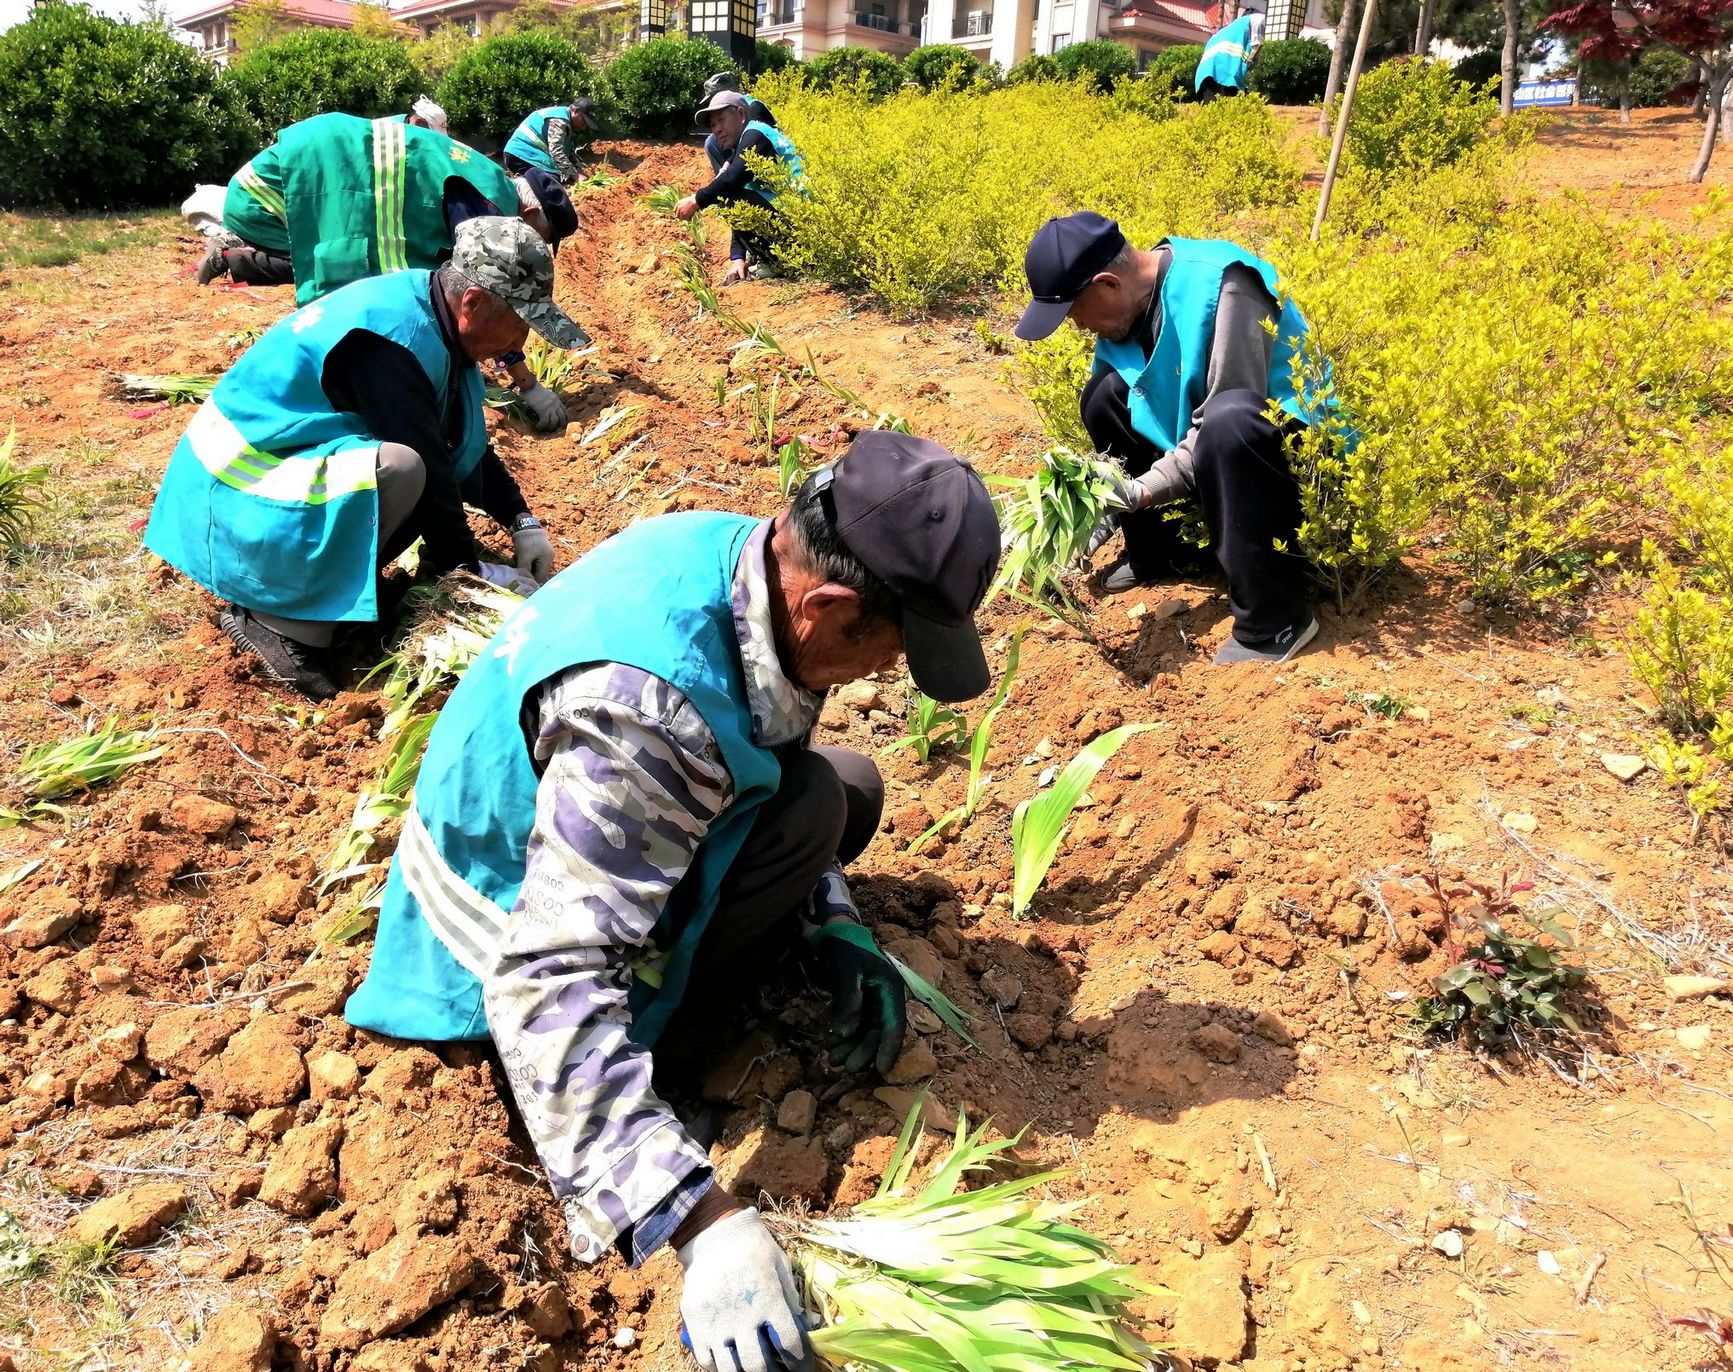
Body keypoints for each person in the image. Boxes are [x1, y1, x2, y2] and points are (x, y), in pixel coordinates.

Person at [344, 430, 1002, 1372]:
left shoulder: (740, 556)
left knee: (834, 791)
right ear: (829, 604)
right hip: (491, 958)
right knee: (817, 802)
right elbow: (544, 979)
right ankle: (667, 1058)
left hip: (567, 839)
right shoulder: (648, 719)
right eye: (891, 650)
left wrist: (834, 918)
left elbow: (771, 767)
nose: (888, 674)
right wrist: (696, 1219)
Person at [146, 218, 586, 701]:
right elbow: (430, 466)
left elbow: (460, 440)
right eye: (519, 322)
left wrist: (520, 519)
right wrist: (467, 574)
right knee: (399, 469)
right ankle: (276, 622)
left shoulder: (432, 316)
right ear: (473, 303)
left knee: (409, 471)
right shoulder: (390, 341)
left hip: (275, 472)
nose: (519, 343)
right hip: (236, 490)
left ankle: (332, 588)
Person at [1014, 210, 1324, 664]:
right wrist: (1096, 504)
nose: (1078, 326)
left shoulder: (1224, 286)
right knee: (1104, 395)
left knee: (1230, 415)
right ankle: (1162, 554)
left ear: (1107, 283)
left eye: (1074, 311)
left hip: (1297, 463)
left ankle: (1275, 621)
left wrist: (1140, 490)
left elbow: (1231, 422)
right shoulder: (1127, 309)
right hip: (1216, 455)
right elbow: (1137, 406)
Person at [197, 112, 583, 432]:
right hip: (286, 187)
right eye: (541, 236)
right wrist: (527, 385)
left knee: (338, 261)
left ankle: (236, 261)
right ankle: (331, 383)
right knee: (346, 277)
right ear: (531, 214)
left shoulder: (486, 178)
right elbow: (482, 302)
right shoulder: (488, 210)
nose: (533, 244)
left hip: (303, 168)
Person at [676, 90, 805, 286]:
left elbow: (731, 182)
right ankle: (772, 259)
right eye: (713, 125)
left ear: (741, 114)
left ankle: (781, 263)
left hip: (803, 226)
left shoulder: (756, 135)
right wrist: (737, 258)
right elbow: (735, 192)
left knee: (726, 195)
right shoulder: (743, 144)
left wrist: (696, 200)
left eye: (721, 120)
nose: (717, 129)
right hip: (793, 222)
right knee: (727, 195)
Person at [504, 99, 601, 183]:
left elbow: (566, 152)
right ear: (575, 110)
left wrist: (578, 170)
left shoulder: (565, 119)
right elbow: (556, 152)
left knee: (564, 178)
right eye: (584, 121)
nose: (584, 127)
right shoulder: (559, 120)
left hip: (525, 155)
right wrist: (576, 175)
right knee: (552, 181)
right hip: (521, 155)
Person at [699, 71, 777, 177]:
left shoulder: (753, 108)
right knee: (711, 142)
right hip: (740, 157)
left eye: (713, 98)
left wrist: (729, 167)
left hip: (765, 163)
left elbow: (753, 143)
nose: (711, 104)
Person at [1194, 9, 1265, 101]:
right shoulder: (1259, 18)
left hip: (1203, 74)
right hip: (1224, 71)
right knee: (1230, 109)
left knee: (1212, 111)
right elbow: (1257, 44)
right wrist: (1252, 60)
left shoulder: (1224, 31)